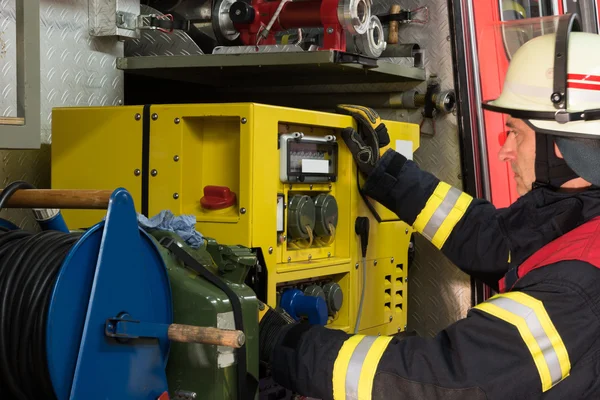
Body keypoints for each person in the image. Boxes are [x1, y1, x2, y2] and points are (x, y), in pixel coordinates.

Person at [258, 14, 600, 400]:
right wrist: (388, 172)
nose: (504, 151)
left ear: (561, 146)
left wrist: (281, 342)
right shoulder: (577, 215)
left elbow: (446, 381)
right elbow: (490, 239)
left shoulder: (575, 288)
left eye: (514, 134)